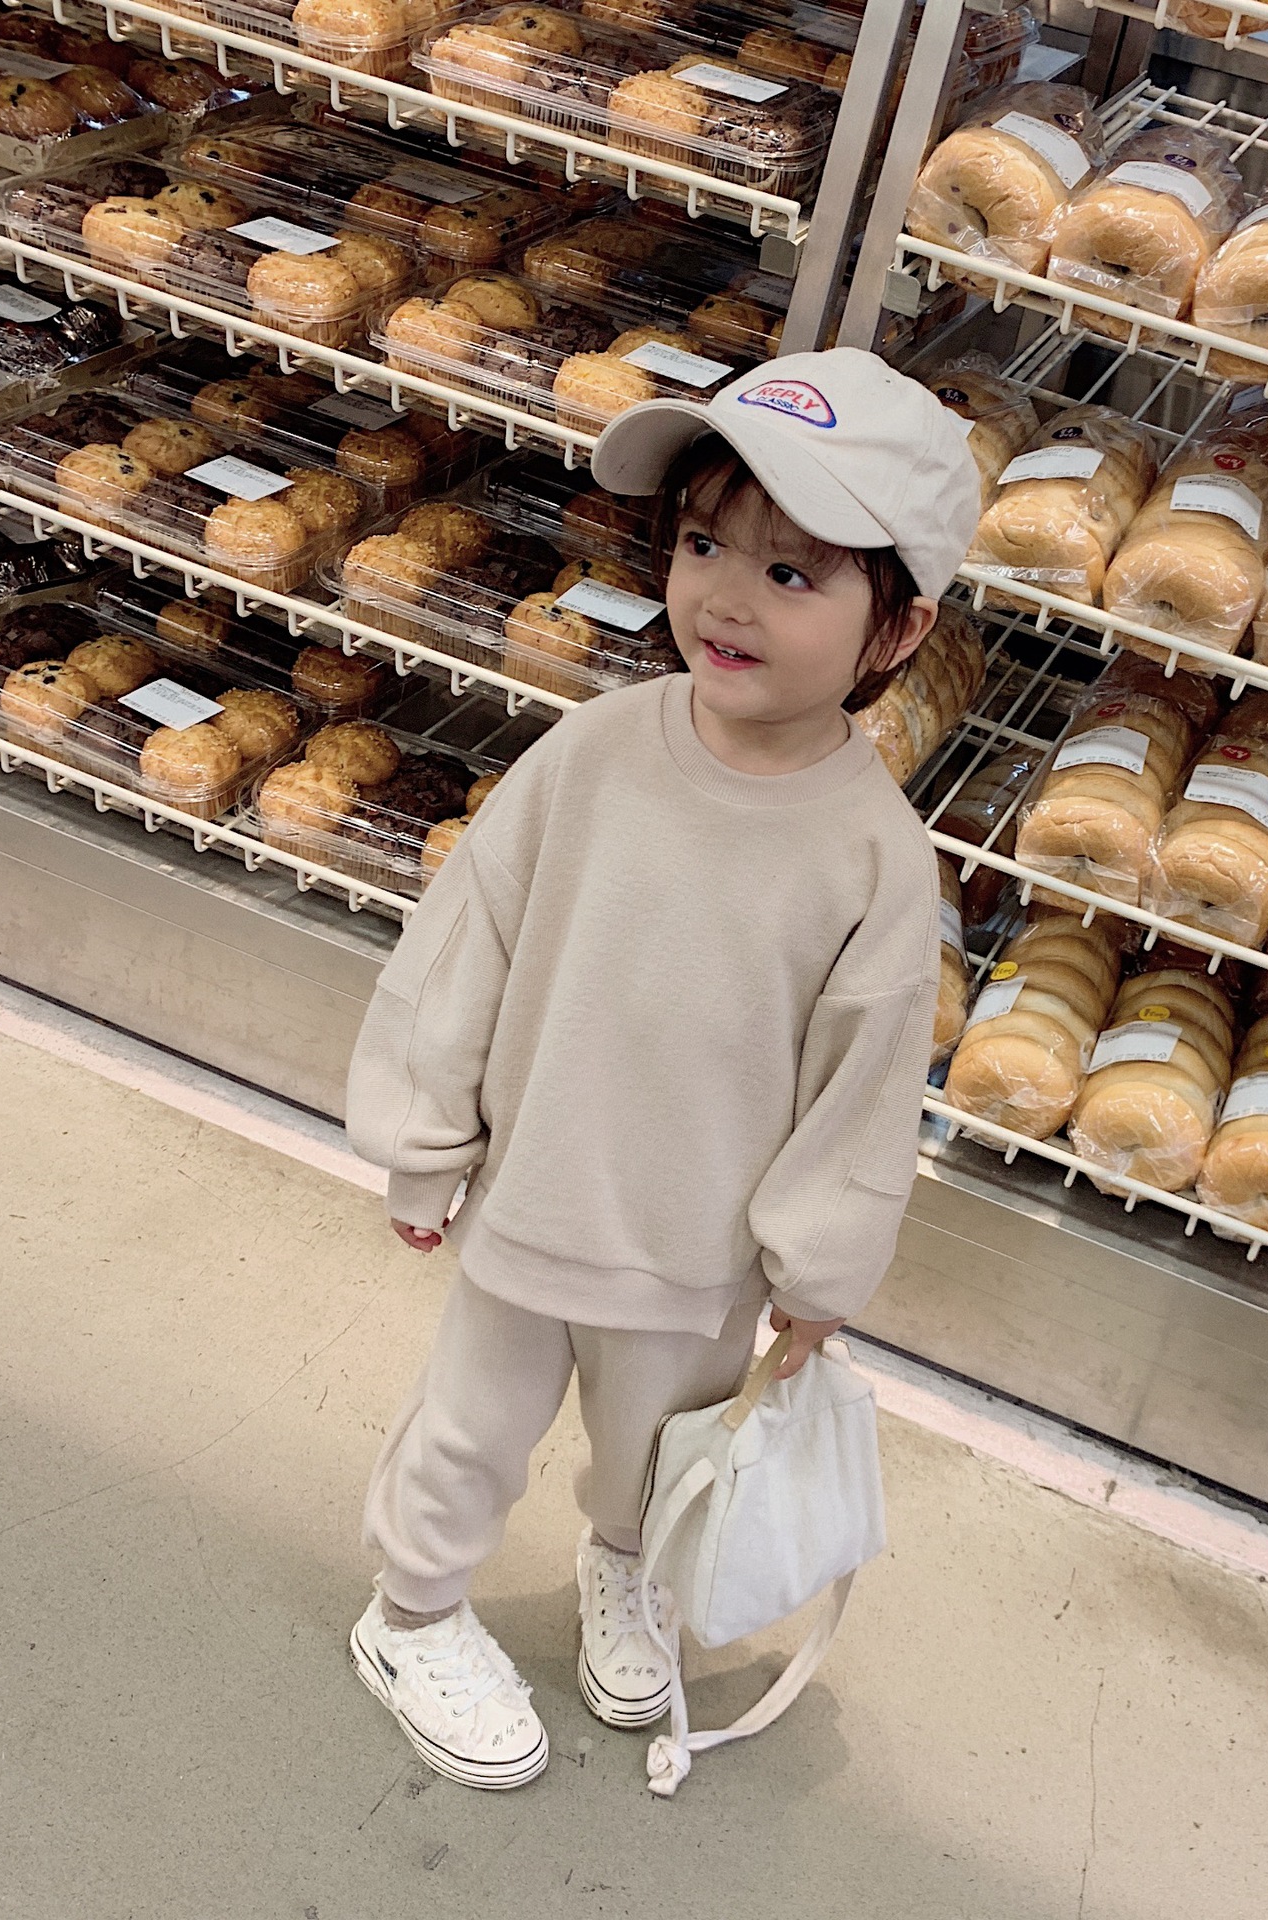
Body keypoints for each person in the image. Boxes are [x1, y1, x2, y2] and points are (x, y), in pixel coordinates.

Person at [341, 348, 983, 1789]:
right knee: (468, 1432)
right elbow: (471, 943)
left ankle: (625, 1565)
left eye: (793, 572)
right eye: (703, 544)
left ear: (900, 626)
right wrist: (425, 1138)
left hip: (700, 1250)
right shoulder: (594, 752)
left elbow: (863, 1088)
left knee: (661, 1450)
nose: (726, 597)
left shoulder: (875, 854)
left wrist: (817, 1273)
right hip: (532, 1201)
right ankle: (412, 1612)